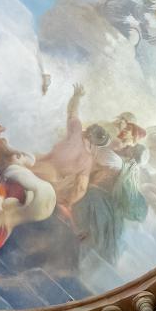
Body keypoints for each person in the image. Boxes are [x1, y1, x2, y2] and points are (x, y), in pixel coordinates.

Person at [29, 83, 109, 221]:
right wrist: (69, 203)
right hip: (49, 179)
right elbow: (80, 188)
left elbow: (72, 110)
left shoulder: (76, 130)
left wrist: (76, 96)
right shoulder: (87, 160)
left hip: (40, 167)